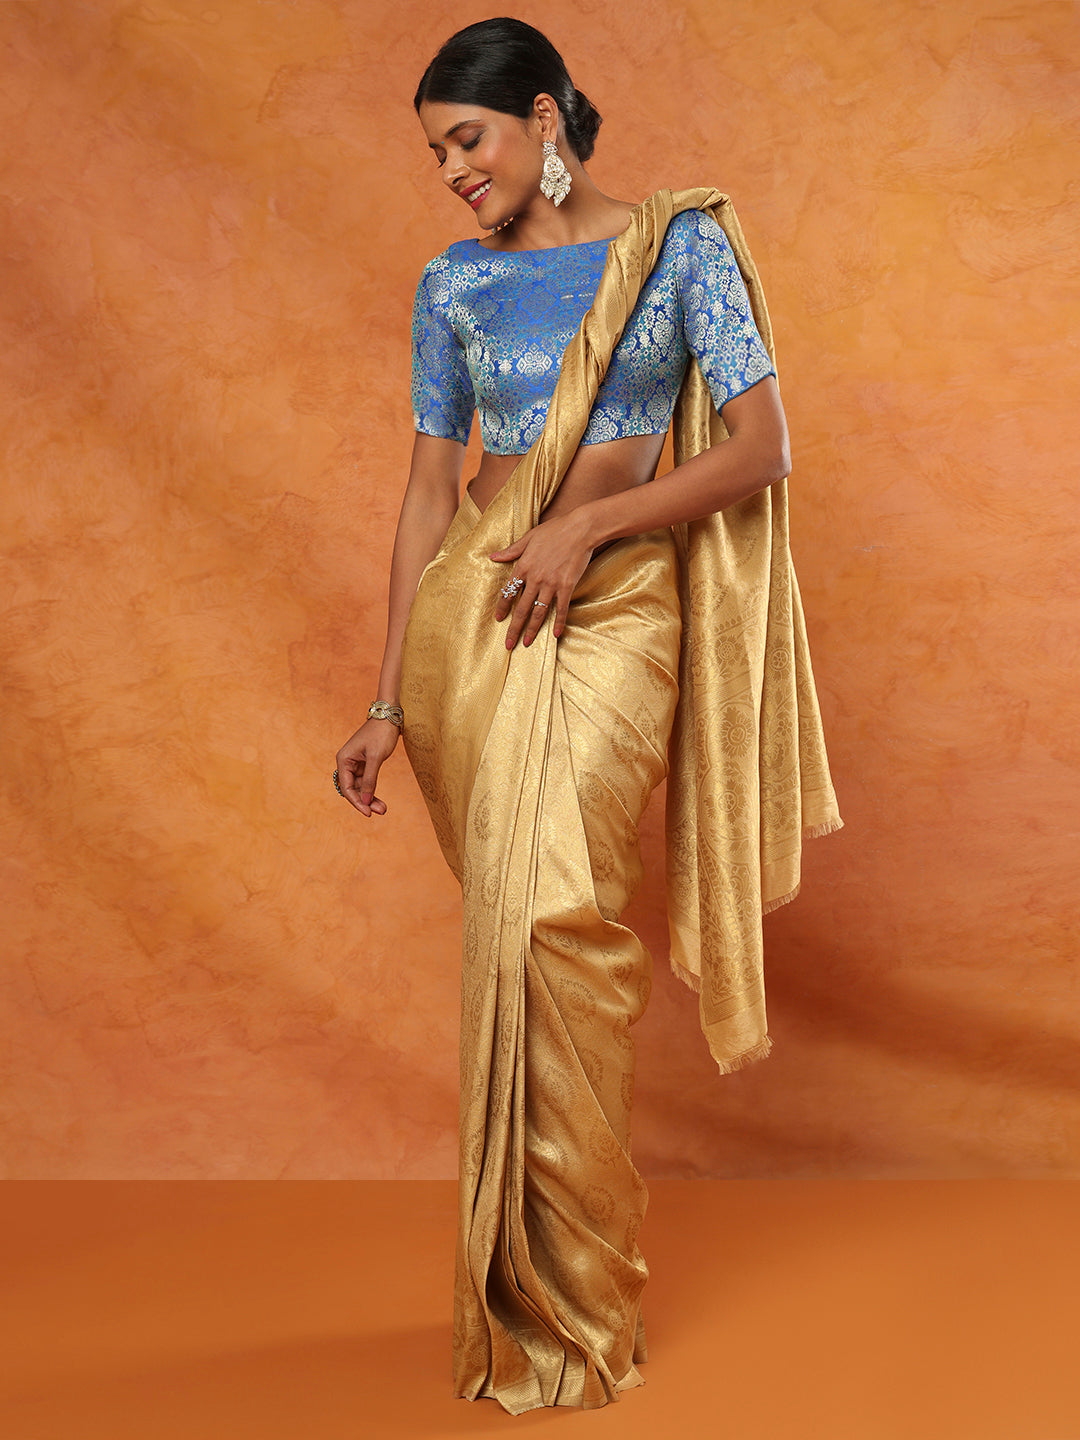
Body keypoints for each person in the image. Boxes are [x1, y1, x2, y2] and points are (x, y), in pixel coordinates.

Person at [333, 17, 842, 1415]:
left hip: (620, 607)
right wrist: (386, 697)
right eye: (436, 152)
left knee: (560, 918)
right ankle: (518, 1307)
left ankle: (581, 1304)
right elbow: (431, 493)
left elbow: (759, 448)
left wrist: (591, 525)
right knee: (507, 934)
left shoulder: (680, 249)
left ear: (545, 117)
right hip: (478, 611)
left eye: (469, 139)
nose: (452, 171)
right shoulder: (453, 284)